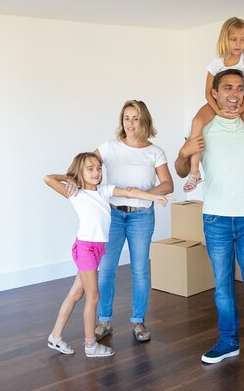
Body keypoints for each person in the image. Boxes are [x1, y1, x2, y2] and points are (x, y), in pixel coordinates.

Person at [175, 69, 244, 380]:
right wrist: (183, 153)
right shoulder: (203, 125)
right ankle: (228, 342)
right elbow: (182, 170)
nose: (234, 93)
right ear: (215, 93)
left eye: (240, 88)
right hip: (216, 218)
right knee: (222, 288)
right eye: (227, 87)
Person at [66, 100, 174, 343]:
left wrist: (146, 193)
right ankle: (104, 321)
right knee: (106, 270)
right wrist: (71, 180)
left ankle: (138, 321)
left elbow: (168, 184)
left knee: (140, 270)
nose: (130, 123)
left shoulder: (155, 152)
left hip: (142, 217)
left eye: (136, 118)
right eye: (126, 118)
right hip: (112, 215)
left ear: (144, 121)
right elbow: (82, 167)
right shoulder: (108, 148)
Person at [44, 152, 168, 358]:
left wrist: (153, 196)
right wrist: (69, 178)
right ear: (79, 172)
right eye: (89, 169)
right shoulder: (75, 192)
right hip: (85, 249)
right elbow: (48, 179)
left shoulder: (104, 190)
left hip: (97, 249)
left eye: (98, 168)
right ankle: (90, 346)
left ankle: (55, 336)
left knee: (76, 294)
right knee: (93, 296)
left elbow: (130, 193)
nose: (96, 172)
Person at [183, 16, 244, 196]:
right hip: (215, 102)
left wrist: (240, 110)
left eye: (243, 40)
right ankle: (194, 172)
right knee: (197, 121)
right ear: (225, 40)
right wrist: (218, 112)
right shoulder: (216, 61)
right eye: (234, 39)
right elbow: (207, 92)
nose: (238, 44)